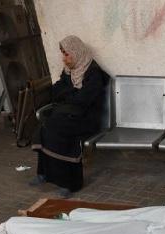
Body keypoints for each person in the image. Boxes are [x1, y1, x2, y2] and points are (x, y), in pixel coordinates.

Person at [31, 36, 108, 194]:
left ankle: (69, 183)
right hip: (70, 115)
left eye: (67, 54)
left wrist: (67, 94)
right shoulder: (70, 72)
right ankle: (44, 173)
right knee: (45, 127)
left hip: (87, 119)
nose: (64, 59)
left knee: (56, 129)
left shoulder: (94, 74)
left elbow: (83, 100)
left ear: (77, 52)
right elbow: (56, 91)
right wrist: (71, 93)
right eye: (63, 54)